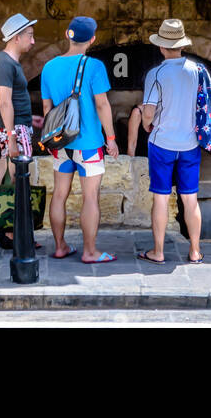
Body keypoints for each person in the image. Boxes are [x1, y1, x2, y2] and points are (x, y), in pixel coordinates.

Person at [138, 19, 211, 265]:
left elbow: (149, 111)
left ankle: (158, 252)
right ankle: (195, 251)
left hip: (162, 142)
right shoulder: (198, 69)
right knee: (190, 198)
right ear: (182, 45)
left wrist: (145, 124)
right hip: (190, 144)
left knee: (161, 198)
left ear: (161, 47)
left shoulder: (156, 73)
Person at [40, 15, 120, 264]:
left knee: (59, 194)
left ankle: (60, 246)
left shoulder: (48, 67)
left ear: (67, 34)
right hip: (88, 145)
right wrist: (111, 137)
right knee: (90, 197)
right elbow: (102, 104)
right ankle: (89, 252)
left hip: (61, 144)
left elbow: (47, 109)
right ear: (93, 39)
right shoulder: (94, 66)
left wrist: (55, 137)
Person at [0, 12, 43, 249]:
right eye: (29, 36)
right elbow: (4, 103)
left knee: (10, 176)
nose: (32, 41)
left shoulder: (9, 63)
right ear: (16, 37)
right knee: (16, 179)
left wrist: (31, 119)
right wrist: (12, 138)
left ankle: (5, 230)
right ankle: (12, 235)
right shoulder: (5, 64)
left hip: (19, 127)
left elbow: (13, 102)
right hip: (15, 131)